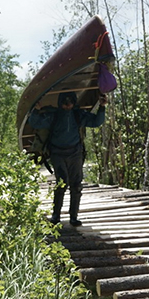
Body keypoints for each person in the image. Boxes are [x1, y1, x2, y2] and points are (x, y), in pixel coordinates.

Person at [29, 91, 107, 226]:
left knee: (76, 185)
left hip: (75, 153)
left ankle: (73, 217)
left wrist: (102, 107)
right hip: (57, 153)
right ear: (60, 103)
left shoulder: (79, 115)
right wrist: (36, 109)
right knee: (62, 183)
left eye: (70, 101)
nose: (68, 104)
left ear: (74, 102)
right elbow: (35, 123)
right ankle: (56, 216)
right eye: (65, 102)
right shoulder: (53, 116)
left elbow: (96, 122)